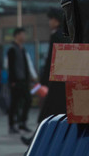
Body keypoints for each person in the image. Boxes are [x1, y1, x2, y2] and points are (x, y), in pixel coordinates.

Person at [21, 9, 69, 145]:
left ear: (56, 20)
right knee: (58, 112)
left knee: (48, 112)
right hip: (64, 81)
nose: (49, 22)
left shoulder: (56, 35)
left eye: (51, 19)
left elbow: (51, 61)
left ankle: (36, 139)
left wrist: (44, 81)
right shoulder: (66, 34)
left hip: (55, 82)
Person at [7, 27, 34, 134]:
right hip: (16, 81)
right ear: (17, 35)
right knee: (14, 104)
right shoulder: (12, 50)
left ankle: (22, 123)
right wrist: (12, 81)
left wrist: (29, 79)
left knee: (28, 100)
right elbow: (10, 67)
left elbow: (26, 66)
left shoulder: (23, 49)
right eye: (22, 34)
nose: (24, 36)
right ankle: (12, 125)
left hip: (24, 81)